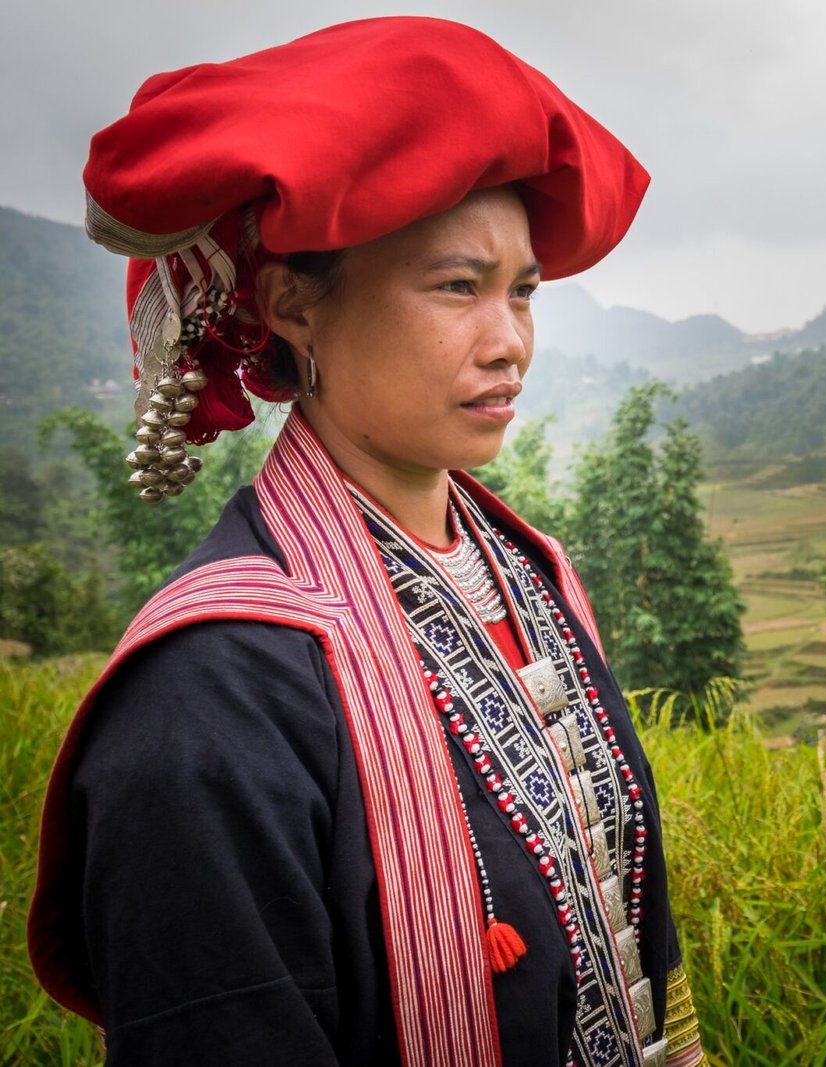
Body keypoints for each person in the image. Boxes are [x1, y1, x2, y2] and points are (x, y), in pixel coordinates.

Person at [28, 18, 704, 1067]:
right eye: (455, 285)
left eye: (522, 289)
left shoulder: (533, 580)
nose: (509, 340)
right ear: (293, 303)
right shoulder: (209, 697)